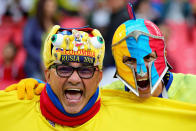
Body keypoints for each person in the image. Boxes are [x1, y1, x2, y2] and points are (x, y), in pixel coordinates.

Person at [1, 24, 196, 131]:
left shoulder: (192, 88)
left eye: (148, 58)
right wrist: (40, 90)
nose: (141, 71)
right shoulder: (111, 95)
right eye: (130, 61)